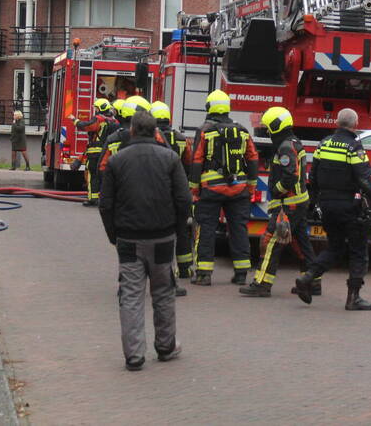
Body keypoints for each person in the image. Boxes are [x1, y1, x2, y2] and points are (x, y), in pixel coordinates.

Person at [99, 110, 191, 371]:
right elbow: (184, 200)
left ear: (131, 131)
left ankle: (134, 355)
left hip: (128, 239)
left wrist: (113, 236)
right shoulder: (171, 159)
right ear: (156, 132)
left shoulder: (117, 161)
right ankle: (166, 346)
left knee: (130, 295)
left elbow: (106, 204)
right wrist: (175, 228)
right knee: (163, 292)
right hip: (162, 237)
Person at [295, 108, 371, 311]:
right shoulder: (354, 147)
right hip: (350, 207)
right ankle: (353, 298)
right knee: (358, 251)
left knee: (335, 248)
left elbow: (313, 176)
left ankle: (308, 277)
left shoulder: (323, 143)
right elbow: (364, 179)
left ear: (337, 122)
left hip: (327, 206)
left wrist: (314, 202)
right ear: (355, 124)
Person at [240, 106, 318, 298]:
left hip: (289, 204)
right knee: (301, 242)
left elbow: (290, 175)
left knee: (272, 241)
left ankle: (262, 284)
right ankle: (312, 282)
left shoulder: (285, 146)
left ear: (276, 126)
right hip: (297, 203)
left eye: (268, 127)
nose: (266, 131)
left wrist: (276, 191)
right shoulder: (291, 142)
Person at [187, 89, 258, 287]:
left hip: (211, 190)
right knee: (238, 229)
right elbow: (252, 158)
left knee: (206, 229)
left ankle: (204, 274)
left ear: (209, 108)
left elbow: (196, 160)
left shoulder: (205, 130)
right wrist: (250, 187)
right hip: (238, 189)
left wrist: (194, 189)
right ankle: (242, 273)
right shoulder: (242, 130)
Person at [151, 101, 194, 281]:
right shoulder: (181, 139)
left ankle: (157, 269)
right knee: (182, 230)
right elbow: (189, 163)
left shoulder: (150, 138)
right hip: (177, 190)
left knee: (157, 231)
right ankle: (184, 269)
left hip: (157, 191)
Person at [73, 98, 119, 206]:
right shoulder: (115, 121)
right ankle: (103, 198)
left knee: (92, 175)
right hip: (108, 153)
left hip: (95, 153)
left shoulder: (98, 119)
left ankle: (92, 198)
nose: (95, 110)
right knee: (104, 176)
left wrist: (75, 121)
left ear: (99, 108)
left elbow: (87, 126)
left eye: (96, 108)